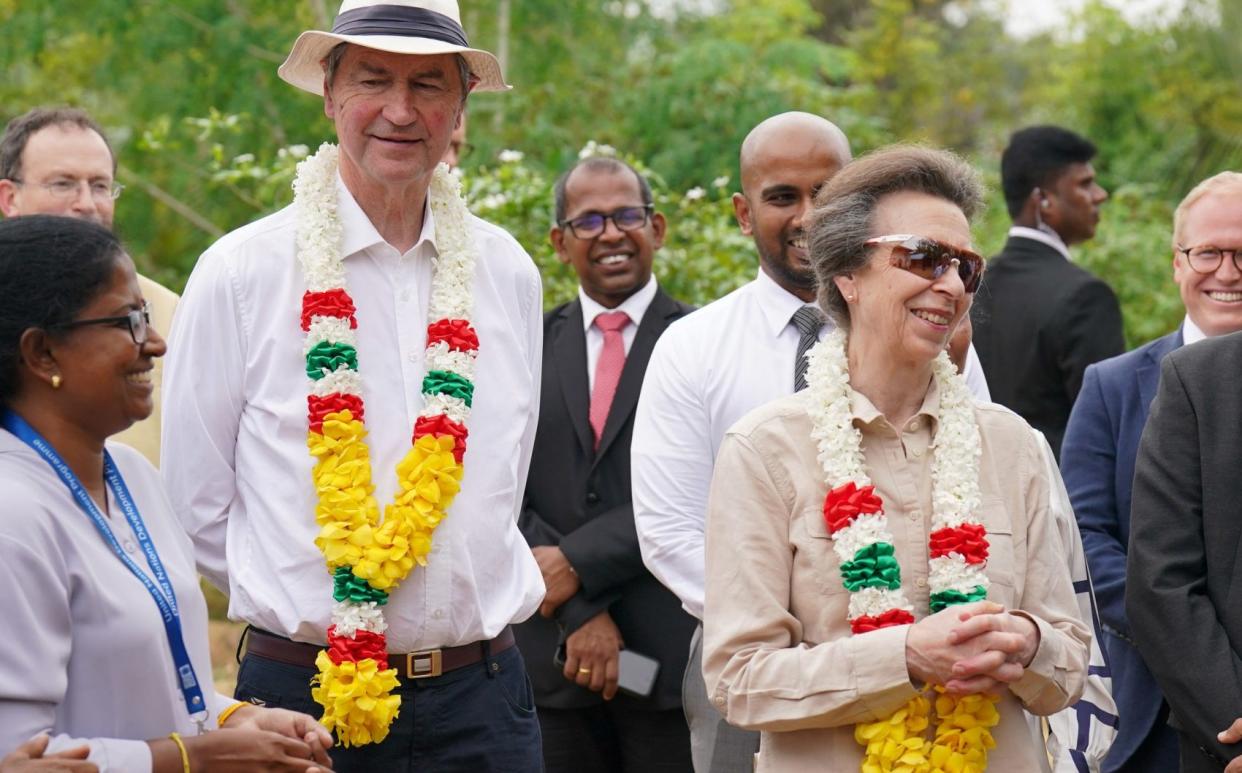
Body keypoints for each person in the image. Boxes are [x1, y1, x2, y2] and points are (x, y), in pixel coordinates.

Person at [161, 1, 546, 770]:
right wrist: (315, 597)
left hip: (486, 698)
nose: (401, 112)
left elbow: (504, 478)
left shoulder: (507, 271)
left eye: (429, 86)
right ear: (330, 92)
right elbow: (192, 508)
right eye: (374, 80)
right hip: (301, 701)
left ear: (461, 104)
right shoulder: (242, 272)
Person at [701, 145, 1089, 771]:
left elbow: (1070, 661)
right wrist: (904, 656)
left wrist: (1029, 643)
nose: (951, 284)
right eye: (923, 257)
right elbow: (739, 680)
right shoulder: (766, 450)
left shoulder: (1012, 444)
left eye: (967, 266)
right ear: (847, 274)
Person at [632, 111, 991, 772]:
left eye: (825, 194)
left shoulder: (928, 332)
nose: (806, 215)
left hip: (926, 658)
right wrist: (810, 630)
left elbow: (977, 478)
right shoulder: (691, 348)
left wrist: (902, 638)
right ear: (743, 213)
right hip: (754, 670)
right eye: (781, 197)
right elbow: (668, 531)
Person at [0, 215, 335, 772]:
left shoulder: (132, 476)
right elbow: (18, 755)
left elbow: (141, 685)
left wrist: (235, 721)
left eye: (148, 318)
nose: (154, 343)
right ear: (42, 354)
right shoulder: (13, 512)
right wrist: (196, 758)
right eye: (127, 322)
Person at [517, 156, 696, 772]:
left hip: (668, 663)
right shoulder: (523, 347)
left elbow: (705, 484)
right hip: (551, 662)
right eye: (588, 221)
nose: (612, 233)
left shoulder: (700, 345)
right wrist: (580, 610)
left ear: (659, 227)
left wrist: (578, 563)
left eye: (627, 215)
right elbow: (496, 487)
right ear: (559, 243)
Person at [1062, 172, 1242, 772]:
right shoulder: (1111, 386)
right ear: (1176, 264)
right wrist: (1180, 637)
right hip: (1143, 704)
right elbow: (1083, 534)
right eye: (1208, 252)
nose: (1226, 271)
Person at [1125, 186, 1242, 773]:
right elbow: (1162, 580)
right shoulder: (1200, 381)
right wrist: (1235, 726)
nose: (1229, 273)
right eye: (1210, 253)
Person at [0, 107, 179, 468]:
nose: (86, 204)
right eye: (62, 184)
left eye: (99, 186)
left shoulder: (168, 311)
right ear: (9, 198)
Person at [970, 125, 1123, 461]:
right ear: (1043, 200)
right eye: (1084, 184)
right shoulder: (1086, 297)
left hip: (972, 488)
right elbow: (1107, 429)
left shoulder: (970, 286)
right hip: (1055, 496)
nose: (1100, 195)